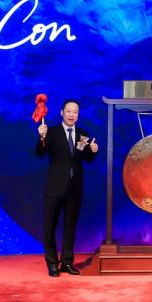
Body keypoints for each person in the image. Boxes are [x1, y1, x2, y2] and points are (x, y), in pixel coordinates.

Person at [36, 99, 98, 277]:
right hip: (54, 187)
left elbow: (85, 158)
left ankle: (67, 262)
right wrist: (41, 137)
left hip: (75, 188)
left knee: (70, 226)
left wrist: (93, 150)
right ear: (62, 113)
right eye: (69, 111)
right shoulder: (51, 131)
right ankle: (52, 263)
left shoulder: (83, 134)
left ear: (78, 115)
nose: (72, 114)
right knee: (50, 226)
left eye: (75, 112)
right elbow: (39, 153)